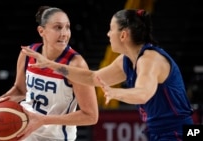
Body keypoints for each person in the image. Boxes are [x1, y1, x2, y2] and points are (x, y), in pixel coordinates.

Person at [21, 9, 194, 140]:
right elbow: (91, 78)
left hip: (179, 131)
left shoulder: (149, 59)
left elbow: (143, 93)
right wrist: (52, 65)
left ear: (124, 35)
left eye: (111, 29)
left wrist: (116, 92)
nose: (108, 34)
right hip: (158, 131)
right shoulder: (125, 61)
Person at [0, 5, 99, 141]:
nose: (64, 33)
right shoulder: (28, 54)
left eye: (67, 27)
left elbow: (91, 116)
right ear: (41, 31)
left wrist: (43, 120)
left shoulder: (75, 64)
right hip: (26, 131)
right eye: (58, 27)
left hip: (56, 137)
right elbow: (20, 90)